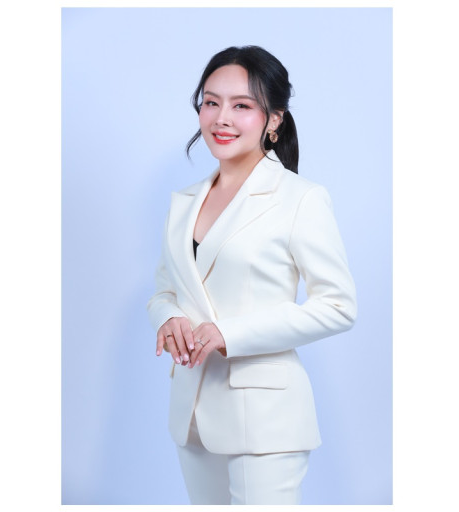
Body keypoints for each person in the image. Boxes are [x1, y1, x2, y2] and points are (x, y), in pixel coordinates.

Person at [147, 45, 357, 505]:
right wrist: (168, 317)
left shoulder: (300, 198)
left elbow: (339, 307)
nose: (221, 118)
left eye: (241, 105)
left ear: (274, 119)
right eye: (211, 102)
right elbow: (165, 290)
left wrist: (228, 333)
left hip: (266, 418)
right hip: (192, 414)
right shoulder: (184, 202)